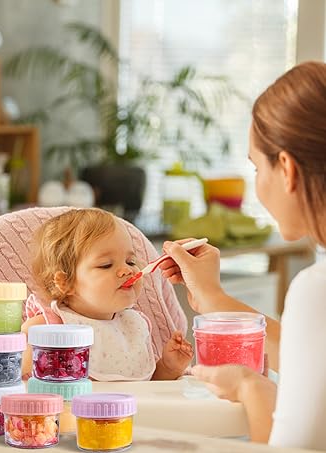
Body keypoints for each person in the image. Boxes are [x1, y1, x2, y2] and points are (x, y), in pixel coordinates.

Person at [159, 61, 326, 450]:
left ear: (286, 168)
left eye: (255, 167)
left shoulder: (315, 289)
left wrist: (253, 389)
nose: (256, 184)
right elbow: (314, 356)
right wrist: (214, 300)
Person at [21, 208, 193, 381]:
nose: (126, 270)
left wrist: (169, 368)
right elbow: (16, 385)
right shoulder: (46, 328)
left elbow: (147, 389)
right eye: (106, 265)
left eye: (130, 261)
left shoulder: (133, 326)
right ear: (66, 282)